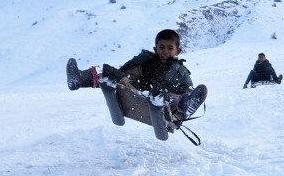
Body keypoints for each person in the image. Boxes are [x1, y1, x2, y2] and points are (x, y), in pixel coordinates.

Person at [67, 28, 208, 118]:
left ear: (178, 51)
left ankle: (186, 104)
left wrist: (187, 99)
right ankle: (79, 79)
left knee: (174, 95)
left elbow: (186, 88)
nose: (165, 51)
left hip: (165, 107)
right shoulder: (146, 62)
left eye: (170, 48)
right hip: (137, 97)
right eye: (161, 47)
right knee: (110, 72)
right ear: (155, 49)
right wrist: (118, 76)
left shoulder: (181, 72)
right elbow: (126, 74)